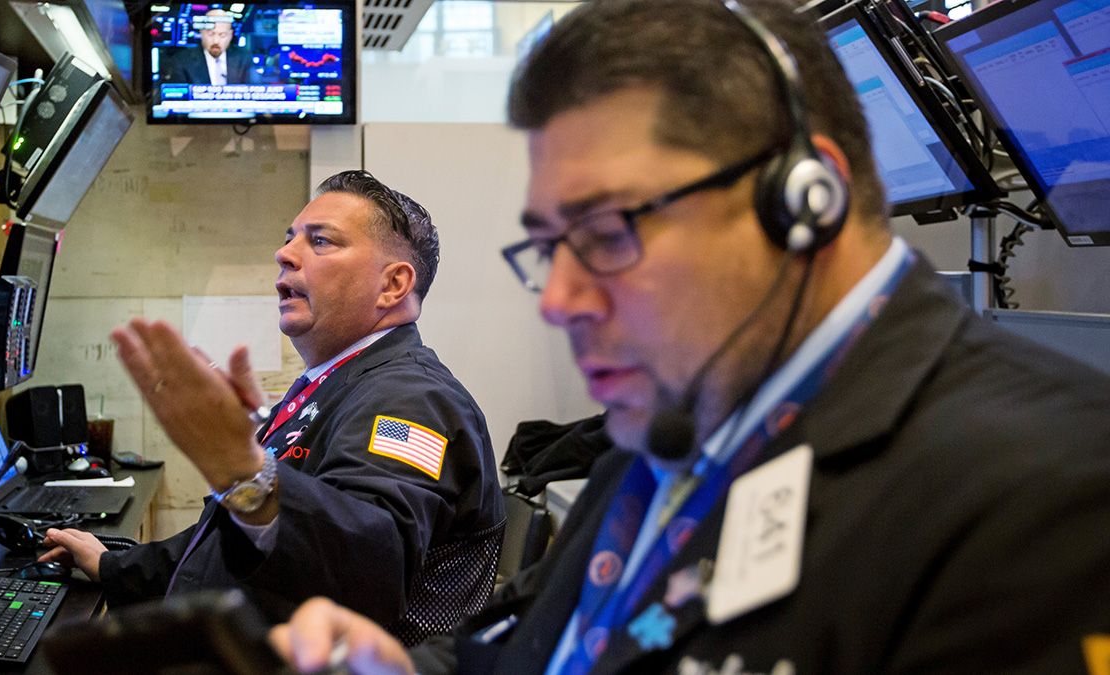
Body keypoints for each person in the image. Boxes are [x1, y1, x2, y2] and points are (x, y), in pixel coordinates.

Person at [264, 0, 1110, 673]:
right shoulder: (666, 436)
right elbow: (538, 643)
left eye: (606, 232)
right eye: (552, 246)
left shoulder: (1048, 495)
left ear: (801, 199)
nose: (558, 300)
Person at [40, 170, 506, 647]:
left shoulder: (410, 399)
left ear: (392, 285)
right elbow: (225, 542)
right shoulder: (330, 385)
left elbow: (368, 574)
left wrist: (244, 472)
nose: (284, 254)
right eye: (290, 239)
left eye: (321, 241)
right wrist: (112, 566)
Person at [164, 9, 253, 85]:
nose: (216, 41)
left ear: (230, 35)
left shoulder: (244, 58)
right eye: (210, 34)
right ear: (201, 32)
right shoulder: (181, 60)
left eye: (222, 35)